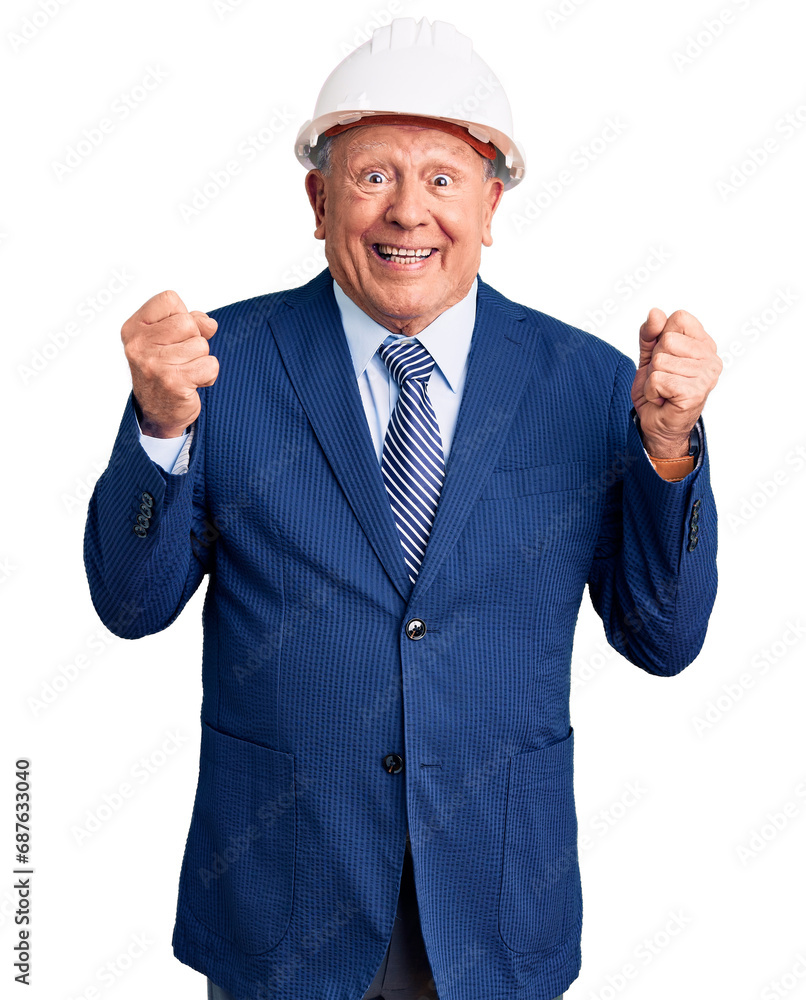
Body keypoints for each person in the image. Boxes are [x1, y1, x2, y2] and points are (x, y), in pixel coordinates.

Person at [83, 17, 720, 1000]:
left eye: (440, 179)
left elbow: (661, 637)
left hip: (496, 910)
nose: (407, 212)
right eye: (374, 175)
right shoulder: (219, 368)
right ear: (318, 196)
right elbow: (131, 606)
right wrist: (160, 425)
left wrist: (667, 446)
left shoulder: (592, 387)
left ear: (490, 203)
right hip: (282, 910)